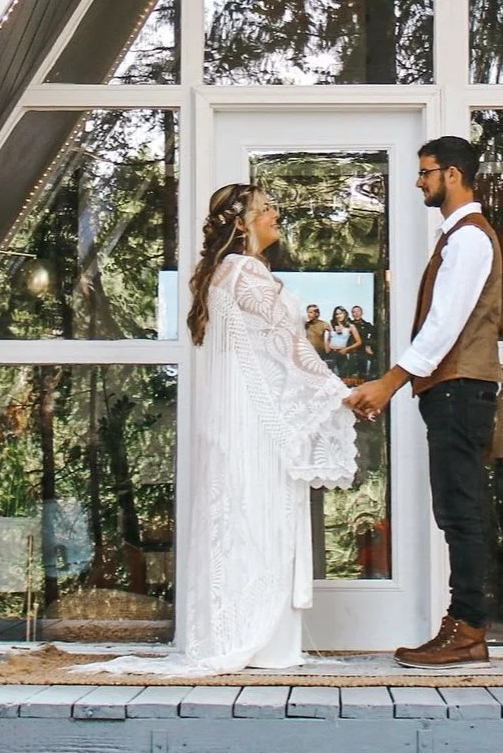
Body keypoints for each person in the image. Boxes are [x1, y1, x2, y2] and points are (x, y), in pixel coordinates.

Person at [181, 183, 357, 672]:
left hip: (235, 420)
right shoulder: (247, 273)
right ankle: (259, 641)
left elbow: (271, 350)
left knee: (236, 517)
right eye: (265, 209)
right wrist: (341, 394)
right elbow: (290, 348)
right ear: (241, 223)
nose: (276, 214)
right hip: (255, 424)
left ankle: (232, 631)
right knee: (260, 516)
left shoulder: (222, 274)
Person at [346, 136, 501, 668]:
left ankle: (468, 629)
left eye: (426, 172)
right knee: (456, 509)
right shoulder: (456, 238)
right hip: (450, 390)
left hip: (461, 389)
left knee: (462, 512)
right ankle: (465, 626)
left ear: (453, 175)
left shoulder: (471, 240)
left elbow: (444, 326)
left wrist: (389, 383)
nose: (419, 181)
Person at [324, 305, 362, 377]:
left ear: (345, 314)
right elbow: (327, 339)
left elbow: (359, 342)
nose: (339, 316)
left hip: (342, 352)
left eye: (340, 313)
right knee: (330, 376)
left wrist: (347, 349)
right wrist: (327, 349)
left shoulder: (351, 326)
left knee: (343, 376)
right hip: (331, 353)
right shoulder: (331, 325)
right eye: (337, 314)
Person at [351, 304, 376, 378]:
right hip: (353, 350)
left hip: (364, 350)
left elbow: (373, 335)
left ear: (362, 312)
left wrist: (368, 346)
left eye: (358, 311)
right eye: (354, 312)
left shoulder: (367, 325)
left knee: (364, 371)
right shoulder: (350, 325)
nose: (356, 313)